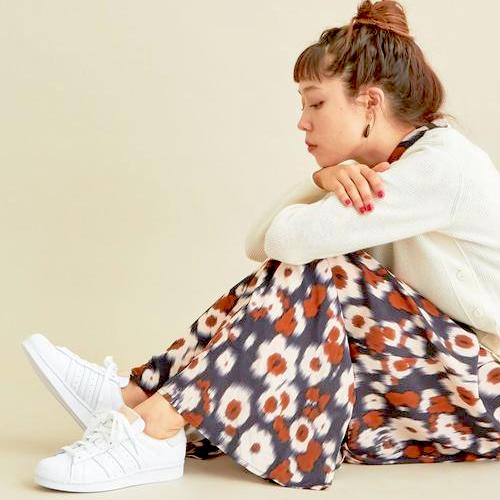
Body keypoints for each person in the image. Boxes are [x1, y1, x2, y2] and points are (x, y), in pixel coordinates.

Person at [21, 0, 500, 493]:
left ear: (370, 104)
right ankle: (137, 401)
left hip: (480, 394)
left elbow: (287, 242)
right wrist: (320, 179)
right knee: (312, 259)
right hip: (422, 381)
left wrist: (323, 186)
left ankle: (153, 423)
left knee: (324, 264)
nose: (302, 122)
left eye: (316, 103)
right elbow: (260, 242)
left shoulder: (440, 165)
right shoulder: (392, 165)